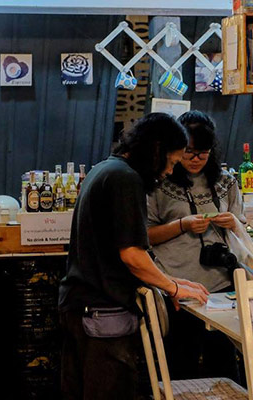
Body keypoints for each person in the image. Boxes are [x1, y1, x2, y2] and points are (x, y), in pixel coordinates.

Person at [59, 113, 209, 400]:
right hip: (103, 313)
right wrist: (172, 287)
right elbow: (131, 255)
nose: (169, 171)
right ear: (156, 151)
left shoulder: (105, 168)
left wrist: (171, 281)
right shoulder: (126, 179)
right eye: (171, 162)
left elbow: (115, 249)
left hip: (80, 307)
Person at [146, 110, 244, 380]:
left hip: (221, 288)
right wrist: (182, 225)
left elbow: (243, 231)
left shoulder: (226, 182)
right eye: (189, 152)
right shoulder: (159, 183)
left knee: (225, 366)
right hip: (177, 287)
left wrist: (232, 222)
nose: (195, 159)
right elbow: (145, 236)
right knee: (181, 366)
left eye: (203, 153)